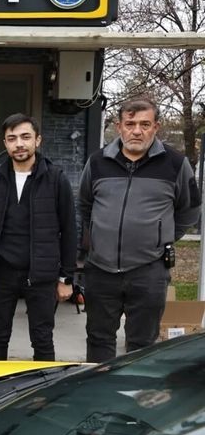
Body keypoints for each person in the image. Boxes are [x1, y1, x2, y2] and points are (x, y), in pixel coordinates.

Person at [79, 97, 200, 362]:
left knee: (142, 345)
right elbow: (86, 205)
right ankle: (99, 387)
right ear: (119, 127)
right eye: (130, 123)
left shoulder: (175, 163)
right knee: (98, 339)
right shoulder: (97, 162)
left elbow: (189, 210)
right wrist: (100, 237)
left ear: (156, 127)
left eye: (145, 124)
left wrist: (160, 238)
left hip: (149, 270)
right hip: (101, 269)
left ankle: (135, 389)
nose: (137, 131)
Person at [0, 113, 76, 361]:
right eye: (12, 139)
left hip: (41, 274)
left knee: (42, 338)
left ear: (37, 140)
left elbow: (69, 231)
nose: (19, 144)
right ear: (5, 143)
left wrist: (66, 278)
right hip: (2, 273)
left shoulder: (56, 179)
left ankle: (45, 386)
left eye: (25, 137)